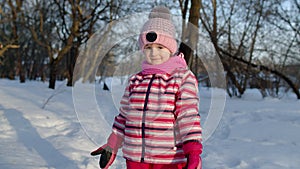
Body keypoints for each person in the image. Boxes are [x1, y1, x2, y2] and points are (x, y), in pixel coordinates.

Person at [91, 6, 202, 169]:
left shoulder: (182, 78)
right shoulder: (135, 80)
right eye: (148, 48)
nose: (153, 53)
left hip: (168, 160)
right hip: (135, 157)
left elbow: (188, 116)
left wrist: (193, 153)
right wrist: (112, 144)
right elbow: (124, 116)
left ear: (171, 49)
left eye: (160, 47)